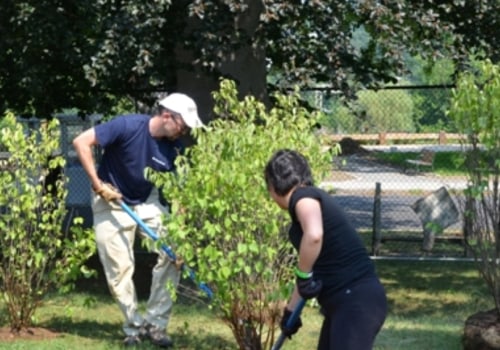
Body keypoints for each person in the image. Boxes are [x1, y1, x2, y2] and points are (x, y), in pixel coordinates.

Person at [72, 93, 204, 347]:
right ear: (167, 116)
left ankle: (156, 325)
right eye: (183, 124)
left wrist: (178, 231)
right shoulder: (128, 125)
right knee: (119, 269)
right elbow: (81, 142)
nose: (185, 131)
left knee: (174, 254)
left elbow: (182, 194)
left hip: (147, 202)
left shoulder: (176, 148)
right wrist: (99, 186)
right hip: (111, 198)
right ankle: (133, 327)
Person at [264, 149, 387, 350]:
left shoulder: (303, 198)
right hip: (346, 303)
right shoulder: (307, 201)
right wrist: (291, 312)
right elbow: (308, 271)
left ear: (273, 185)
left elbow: (314, 236)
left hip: (355, 301)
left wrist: (303, 276)